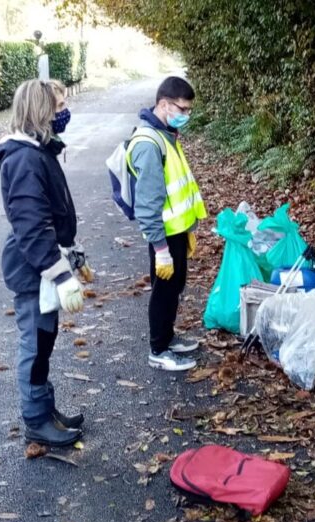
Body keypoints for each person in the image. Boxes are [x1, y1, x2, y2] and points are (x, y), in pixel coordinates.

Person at [0, 79, 89, 447]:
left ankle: (46, 409)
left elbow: (52, 214)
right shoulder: (23, 159)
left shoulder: (38, 152)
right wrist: (60, 274)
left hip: (42, 262)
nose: (64, 111)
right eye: (59, 106)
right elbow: (31, 227)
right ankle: (35, 419)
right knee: (35, 346)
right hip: (32, 267)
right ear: (41, 111)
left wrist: (71, 253)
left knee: (44, 341)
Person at [127, 76, 209, 371]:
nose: (186, 115)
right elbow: (148, 203)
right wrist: (160, 247)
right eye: (182, 109)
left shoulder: (166, 133)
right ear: (164, 104)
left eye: (188, 110)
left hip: (176, 232)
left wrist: (187, 228)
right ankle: (158, 350)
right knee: (163, 291)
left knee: (175, 287)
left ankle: (168, 336)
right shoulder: (149, 143)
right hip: (163, 236)